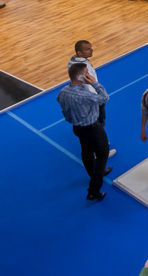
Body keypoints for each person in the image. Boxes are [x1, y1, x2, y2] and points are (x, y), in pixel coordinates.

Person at [57, 62, 111, 201]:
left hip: (77, 128)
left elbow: (60, 103)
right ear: (80, 76)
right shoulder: (84, 94)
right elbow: (105, 98)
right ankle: (94, 189)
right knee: (102, 155)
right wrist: (95, 84)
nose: (89, 75)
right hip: (93, 128)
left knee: (86, 152)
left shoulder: (63, 92)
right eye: (86, 73)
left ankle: (93, 174)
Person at [68, 39, 116, 157]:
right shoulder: (83, 68)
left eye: (90, 48)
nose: (91, 50)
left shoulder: (73, 61)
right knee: (98, 124)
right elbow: (88, 86)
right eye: (87, 49)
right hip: (92, 101)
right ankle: (100, 149)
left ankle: (96, 147)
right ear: (79, 53)